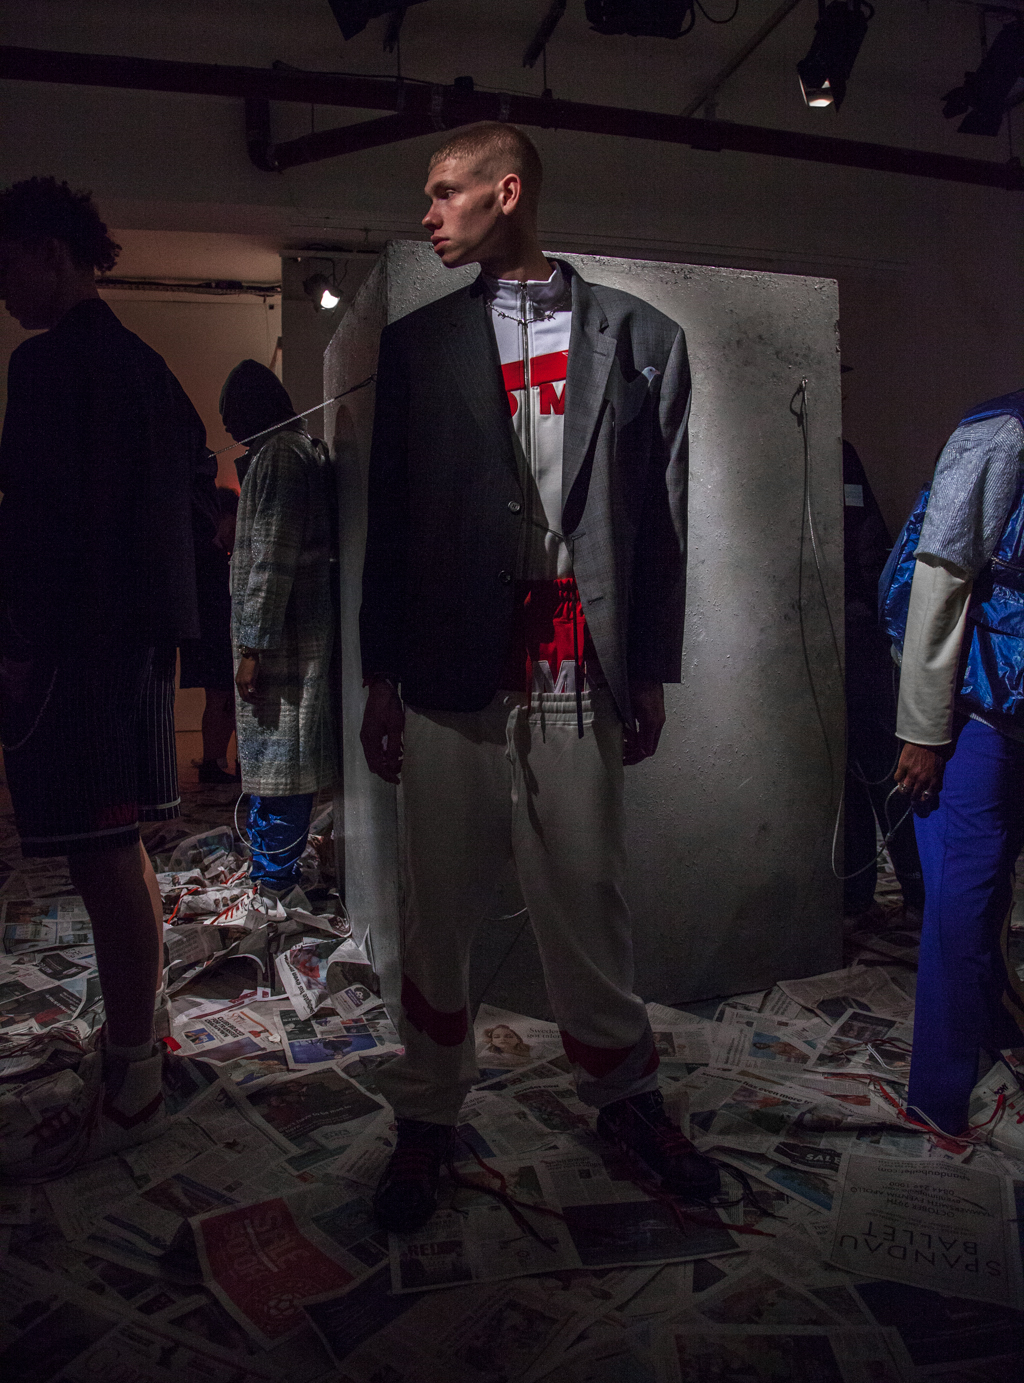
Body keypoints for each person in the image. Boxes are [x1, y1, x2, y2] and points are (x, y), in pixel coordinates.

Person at [359, 121, 721, 1232]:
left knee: (587, 898)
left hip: (575, 660)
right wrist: (380, 673)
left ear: (505, 192)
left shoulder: (644, 338)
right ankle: (427, 1112)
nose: (428, 214)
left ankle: (624, 1098)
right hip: (450, 664)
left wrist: (648, 669)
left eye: (445, 191)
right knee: (438, 910)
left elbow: (660, 525)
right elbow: (392, 522)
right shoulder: (420, 345)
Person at [0, 177, 203, 1176]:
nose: (4, 293)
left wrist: (16, 647)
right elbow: (191, 481)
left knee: (100, 859)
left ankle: (134, 1079)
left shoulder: (47, 364)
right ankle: (140, 1040)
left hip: (74, 649)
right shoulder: (145, 364)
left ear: (48, 251)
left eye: (6, 268)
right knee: (119, 852)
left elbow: (36, 522)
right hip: (135, 650)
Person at [886, 388, 1024, 1134]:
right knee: (964, 896)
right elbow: (942, 576)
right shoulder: (1001, 432)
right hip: (981, 705)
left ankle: (990, 1031)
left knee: (983, 891)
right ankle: (941, 1093)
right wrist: (924, 731)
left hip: (1006, 703)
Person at [217, 360, 337, 914]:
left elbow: (272, 557)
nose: (230, 430)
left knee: (281, 766)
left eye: (232, 417)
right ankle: (272, 873)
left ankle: (274, 881)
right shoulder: (292, 450)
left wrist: (253, 648)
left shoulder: (281, 455)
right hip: (287, 638)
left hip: (283, 644)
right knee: (278, 763)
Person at [841, 438, 925, 921]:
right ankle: (861, 894)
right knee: (852, 773)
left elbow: (871, 548)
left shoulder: (839, 452)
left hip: (855, 636)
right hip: (844, 634)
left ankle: (910, 890)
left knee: (880, 768)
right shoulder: (834, 451)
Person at [180, 474, 239, 785]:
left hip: (206, 633)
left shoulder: (200, 552)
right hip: (215, 634)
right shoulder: (212, 557)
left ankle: (214, 761)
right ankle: (214, 762)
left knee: (219, 696)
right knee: (222, 696)